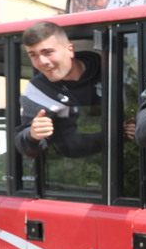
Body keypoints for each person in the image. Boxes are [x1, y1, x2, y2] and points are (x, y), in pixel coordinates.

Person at [15, 21, 104, 158]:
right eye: (33, 55)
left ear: (70, 50)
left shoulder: (110, 70)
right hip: (74, 171)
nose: (42, 62)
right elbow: (24, 145)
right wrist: (33, 135)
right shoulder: (37, 90)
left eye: (48, 52)